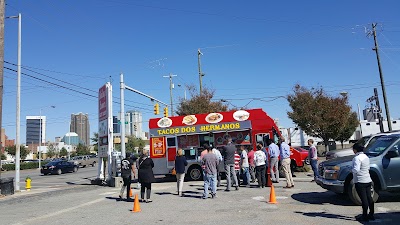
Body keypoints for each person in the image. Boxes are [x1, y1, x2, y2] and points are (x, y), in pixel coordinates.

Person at [352, 143, 375, 222]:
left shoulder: (357, 158)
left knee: (363, 199)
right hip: (367, 179)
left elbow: (356, 169)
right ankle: (371, 214)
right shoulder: (366, 157)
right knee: (369, 197)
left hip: (360, 180)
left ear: (355, 150)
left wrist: (350, 170)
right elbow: (368, 167)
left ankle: (364, 216)